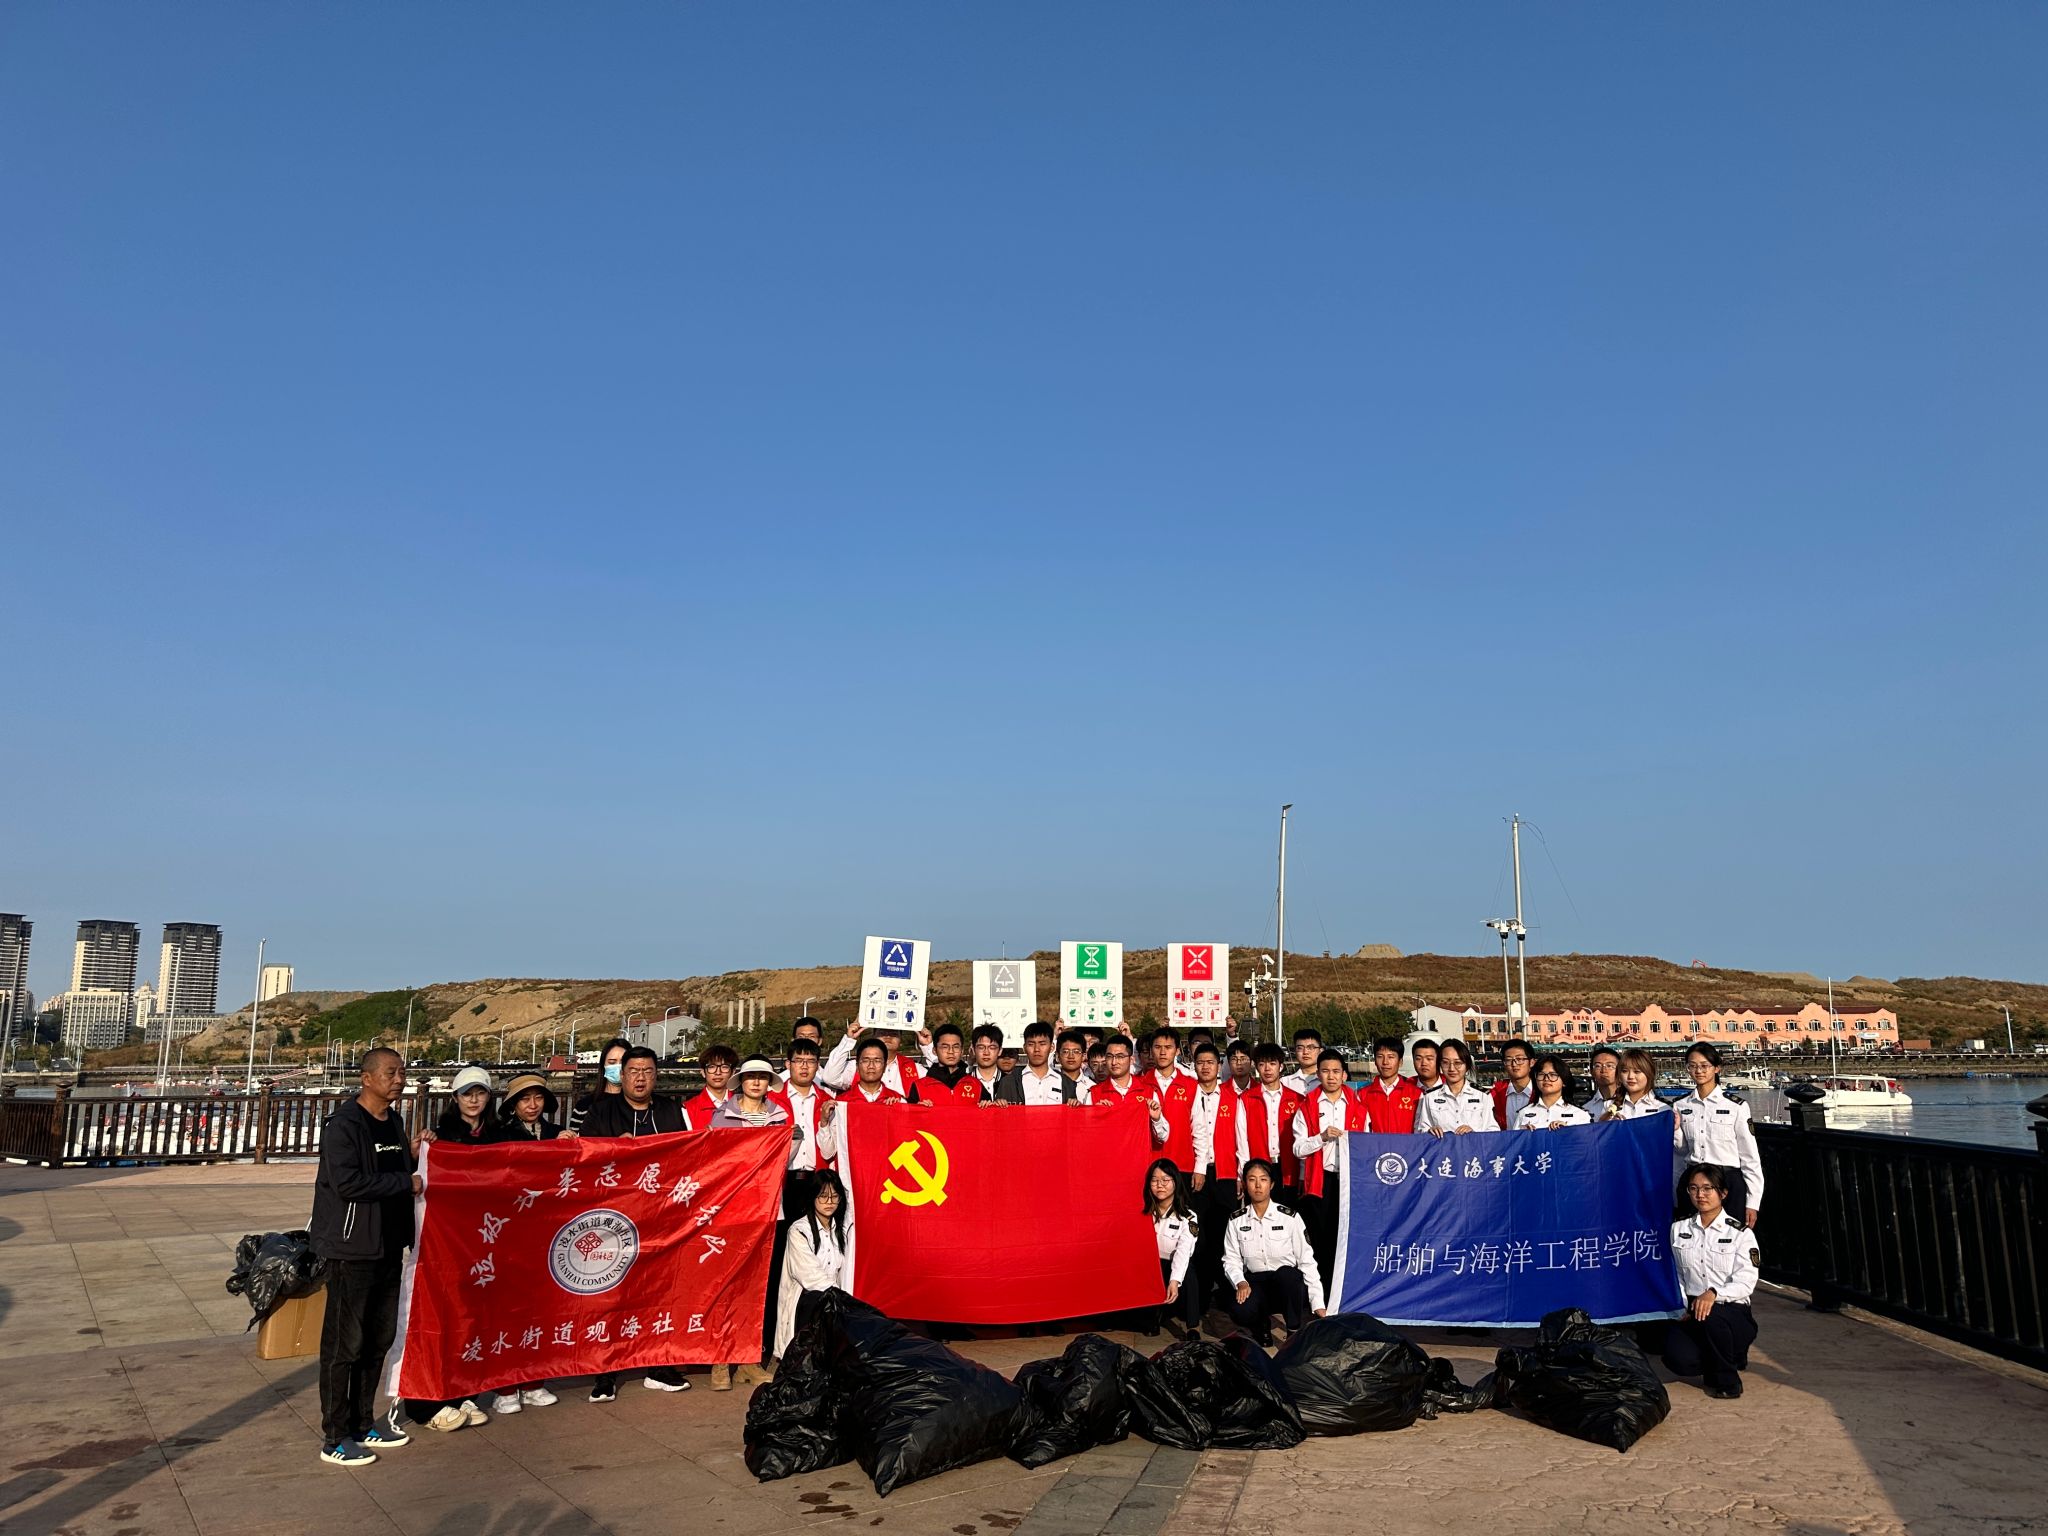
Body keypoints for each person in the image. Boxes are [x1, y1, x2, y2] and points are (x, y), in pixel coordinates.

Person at [310, 1047, 425, 1466]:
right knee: (345, 1345)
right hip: (350, 1249)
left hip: (387, 1247)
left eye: (402, 1073)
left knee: (378, 1340)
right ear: (367, 1078)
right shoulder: (343, 1126)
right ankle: (335, 1435)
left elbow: (392, 1167)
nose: (399, 1080)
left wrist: (414, 1153)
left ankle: (363, 1423)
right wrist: (406, 1182)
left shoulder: (392, 1120)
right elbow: (349, 1183)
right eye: (391, 1073)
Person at [576, 1046, 693, 1401]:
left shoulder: (672, 1110)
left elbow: (691, 1154)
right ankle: (605, 1372)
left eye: (647, 1071)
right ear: (621, 1075)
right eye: (633, 1071)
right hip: (613, 1219)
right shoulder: (602, 1111)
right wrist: (615, 1147)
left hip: (661, 1218)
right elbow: (582, 1156)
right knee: (611, 1295)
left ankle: (657, 1366)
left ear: (656, 1076)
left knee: (657, 1292)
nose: (640, 1078)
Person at [476, 1076, 565, 1415]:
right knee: (506, 1311)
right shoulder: (500, 1135)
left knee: (540, 1309)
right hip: (510, 1231)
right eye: (525, 1099)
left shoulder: (557, 1133)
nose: (532, 1105)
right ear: (513, 1105)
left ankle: (533, 1381)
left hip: (547, 1231)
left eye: (537, 1098)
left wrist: (572, 1145)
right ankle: (505, 1386)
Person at [707, 1059, 792, 1391]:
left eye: (762, 1077)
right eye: (750, 1077)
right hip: (732, 1211)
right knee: (726, 1283)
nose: (756, 1082)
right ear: (740, 1081)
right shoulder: (722, 1117)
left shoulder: (780, 1117)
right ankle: (719, 1359)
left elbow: (785, 1159)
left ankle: (748, 1360)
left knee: (757, 1287)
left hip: (768, 1209)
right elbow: (716, 1161)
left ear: (769, 1082)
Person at [1665, 1164, 1761, 1399]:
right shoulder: (1678, 1229)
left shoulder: (1740, 1234)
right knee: (1676, 1357)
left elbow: (1747, 1281)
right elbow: (1676, 1274)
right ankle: (1719, 1359)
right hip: (1693, 1310)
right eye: (1694, 1188)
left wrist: (1714, 1294)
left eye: (1708, 1188)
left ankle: (1728, 1381)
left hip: (1730, 1311)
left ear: (1723, 1193)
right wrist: (1681, 1304)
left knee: (1712, 1314)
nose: (1701, 1195)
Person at [1216, 1159, 1324, 1347]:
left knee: (1288, 1275)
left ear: (1272, 1184)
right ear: (1245, 1184)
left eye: (1263, 1179)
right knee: (1240, 1308)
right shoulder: (1236, 1221)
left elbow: (1307, 1261)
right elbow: (1230, 1259)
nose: (1258, 1185)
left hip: (1286, 1285)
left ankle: (1293, 1330)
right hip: (1255, 1282)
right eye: (1252, 1180)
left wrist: (1318, 1304)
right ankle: (1261, 1326)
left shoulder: (1289, 1217)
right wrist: (1240, 1282)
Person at [1292, 1049, 1367, 1281]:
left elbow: (1366, 1144)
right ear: (1318, 1074)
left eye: (1336, 1071)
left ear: (1344, 1075)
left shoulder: (1358, 1106)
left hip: (1349, 1180)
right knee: (1321, 1238)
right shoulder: (1307, 1107)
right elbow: (1298, 1149)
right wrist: (1321, 1137)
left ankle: (1345, 1286)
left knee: (1347, 1236)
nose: (1331, 1076)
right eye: (1325, 1071)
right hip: (1320, 1180)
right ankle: (1322, 1290)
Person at [1672, 1043, 1763, 1227]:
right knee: (1691, 1235)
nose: (1698, 1071)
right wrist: (1675, 1130)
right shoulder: (1680, 1105)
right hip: (1695, 1180)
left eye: (1704, 1065)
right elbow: (1681, 1151)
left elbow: (1749, 1155)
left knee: (1730, 1237)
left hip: (1726, 1181)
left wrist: (1753, 1201)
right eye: (1692, 1066)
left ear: (1717, 1068)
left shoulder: (1736, 1106)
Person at [773, 1171, 850, 1361]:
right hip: (808, 1303)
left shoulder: (842, 1231)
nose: (829, 1202)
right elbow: (810, 1276)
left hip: (833, 1302)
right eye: (823, 1196)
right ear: (813, 1197)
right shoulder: (799, 1230)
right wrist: (841, 1299)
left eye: (834, 1196)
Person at [1186, 1041, 1238, 1311]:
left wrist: (1241, 1173)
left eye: (1210, 1062)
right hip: (1196, 1172)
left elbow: (1241, 1137)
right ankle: (1200, 1294)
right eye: (1200, 1062)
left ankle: (1227, 1292)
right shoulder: (1188, 1092)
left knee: (1224, 1233)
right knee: (1198, 1234)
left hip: (1225, 1172)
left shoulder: (1232, 1096)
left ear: (1219, 1066)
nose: (1205, 1067)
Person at [1234, 1043, 1304, 1197]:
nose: (1267, 1069)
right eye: (1262, 1064)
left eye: (1272, 1063)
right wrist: (1243, 1173)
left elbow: (1303, 1139)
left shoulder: (1297, 1099)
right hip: (1259, 1168)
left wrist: (1302, 1173)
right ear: (1256, 1067)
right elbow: (1242, 1139)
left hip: (1289, 1168)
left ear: (1281, 1066)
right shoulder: (1246, 1099)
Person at [1144, 1159, 1201, 1339]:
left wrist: (1174, 1281)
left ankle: (1192, 1326)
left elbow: (1183, 1252)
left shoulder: (1188, 1217)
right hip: (1150, 1267)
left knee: (1189, 1272)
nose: (1160, 1185)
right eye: (1154, 1180)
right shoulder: (1143, 1213)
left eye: (1165, 1180)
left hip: (1173, 1268)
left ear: (1175, 1183)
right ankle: (1153, 1315)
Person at [1144, 1027, 1200, 1175]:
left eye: (1168, 1047)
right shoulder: (1139, 1085)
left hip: (1182, 1164)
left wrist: (1200, 1168)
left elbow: (1199, 1128)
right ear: (1151, 1051)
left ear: (1177, 1051)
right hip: (1149, 1165)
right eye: (1157, 1047)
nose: (1163, 1052)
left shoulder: (1191, 1085)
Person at [1415, 1039, 1497, 1136]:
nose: (1452, 1069)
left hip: (1474, 1145)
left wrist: (1474, 1133)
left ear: (1467, 1065)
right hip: (1442, 1146)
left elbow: (1493, 1131)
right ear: (1440, 1064)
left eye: (1457, 1063)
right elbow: (1420, 1130)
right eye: (1445, 1063)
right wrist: (1429, 1131)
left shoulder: (1483, 1095)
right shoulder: (1429, 1096)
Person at [997, 1020, 1078, 1104]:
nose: (1036, 1049)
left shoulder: (1066, 1083)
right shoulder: (1008, 1082)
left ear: (1052, 1047)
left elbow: (1073, 1111)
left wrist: (1075, 1105)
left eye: (1042, 1044)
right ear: (1024, 1048)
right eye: (1031, 1044)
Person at [1354, 1036, 1421, 1133]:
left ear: (1400, 1062)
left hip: (1407, 1143)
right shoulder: (1362, 1095)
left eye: (1391, 1057)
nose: (1385, 1062)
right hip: (1375, 1143)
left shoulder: (1416, 1094)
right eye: (1380, 1057)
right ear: (1375, 1061)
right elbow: (1359, 1131)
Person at [566, 1037, 630, 1135]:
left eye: (623, 1062)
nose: (618, 1067)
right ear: (603, 1065)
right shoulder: (584, 1105)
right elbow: (576, 1141)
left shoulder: (640, 1104)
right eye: (612, 1062)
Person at [1514, 1055, 1591, 1129]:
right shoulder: (1524, 1113)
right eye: (1541, 1074)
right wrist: (1525, 1134)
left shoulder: (1579, 1115)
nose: (1546, 1079)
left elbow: (1585, 1138)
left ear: (1564, 1081)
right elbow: (1515, 1138)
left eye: (1553, 1075)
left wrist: (1568, 1131)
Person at [1599, 1049, 1670, 1121]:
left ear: (1650, 1074)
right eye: (1625, 1071)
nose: (1630, 1076)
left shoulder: (1663, 1108)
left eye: (1637, 1071)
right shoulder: (1608, 1105)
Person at [912, 1023, 977, 1102]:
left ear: (962, 1051)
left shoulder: (977, 1086)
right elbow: (906, 1109)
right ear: (934, 1051)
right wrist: (918, 1107)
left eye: (956, 1047)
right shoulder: (919, 1087)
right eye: (945, 1047)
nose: (951, 1051)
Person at [839, 1037, 909, 1109]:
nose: (871, 1066)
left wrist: (898, 1111)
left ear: (885, 1067)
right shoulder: (841, 1103)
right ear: (857, 1067)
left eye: (877, 1061)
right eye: (866, 1061)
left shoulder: (898, 1100)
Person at [436, 1065, 496, 1146]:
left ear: (488, 1097)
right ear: (455, 1097)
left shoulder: (500, 1136)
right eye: (466, 1094)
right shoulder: (440, 1137)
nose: (474, 1100)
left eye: (480, 1093)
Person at [684, 1044, 738, 1122]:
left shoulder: (743, 1105)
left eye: (724, 1067)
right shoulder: (688, 1108)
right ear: (703, 1072)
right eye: (712, 1067)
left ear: (733, 1072)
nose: (718, 1072)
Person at [1490, 1040, 1537, 1128]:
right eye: (1508, 1060)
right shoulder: (1495, 1094)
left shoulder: (1542, 1092)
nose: (1514, 1064)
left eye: (1519, 1059)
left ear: (1531, 1062)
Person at [1280, 1028, 1323, 1096]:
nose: (1305, 1052)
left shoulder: (1330, 1082)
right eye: (1300, 1048)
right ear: (1295, 1051)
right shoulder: (1284, 1083)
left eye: (1310, 1048)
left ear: (1320, 1051)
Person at [1581, 1046, 1621, 1112]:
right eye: (1598, 1066)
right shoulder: (1586, 1108)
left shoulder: (1631, 1102)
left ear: (1620, 1070)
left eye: (1609, 1066)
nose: (1604, 1070)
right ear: (1591, 1071)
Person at [1053, 1027, 1090, 1092]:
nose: (1071, 1056)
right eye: (1066, 1051)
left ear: (1083, 1056)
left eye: (1076, 1052)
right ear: (1057, 1056)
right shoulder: (1048, 1083)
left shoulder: (1091, 1087)